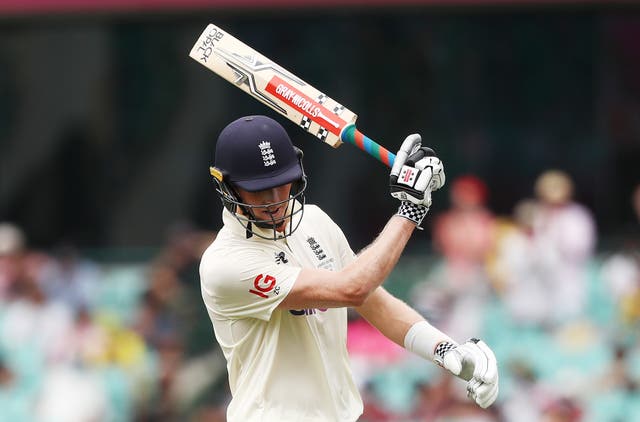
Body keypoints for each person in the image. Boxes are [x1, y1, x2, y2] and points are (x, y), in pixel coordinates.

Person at [199, 115, 499, 421]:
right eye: (260, 190)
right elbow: (351, 289)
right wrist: (410, 210)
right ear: (225, 187)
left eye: (282, 183)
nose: (276, 200)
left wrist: (444, 349)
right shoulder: (225, 264)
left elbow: (375, 302)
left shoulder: (314, 220)